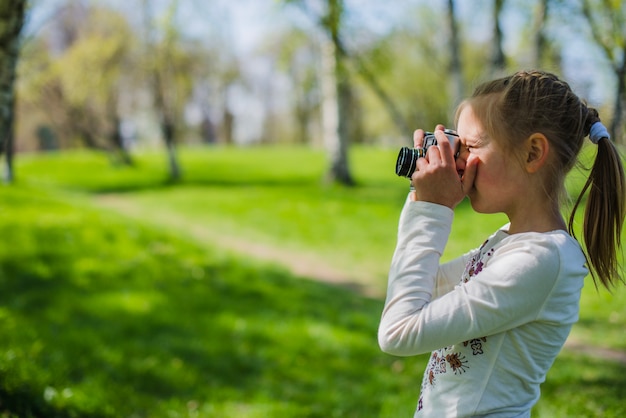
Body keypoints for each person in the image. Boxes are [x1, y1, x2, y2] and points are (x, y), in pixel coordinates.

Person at [378, 70, 625, 417]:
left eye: (471, 146)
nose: (459, 161)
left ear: (532, 153)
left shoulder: (541, 260)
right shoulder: (513, 242)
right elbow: (418, 290)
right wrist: (421, 198)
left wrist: (432, 209)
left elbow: (398, 331)